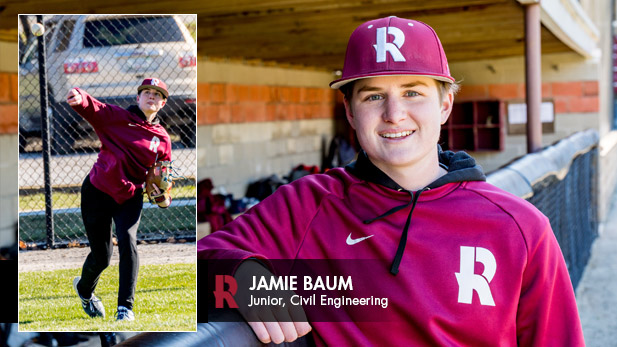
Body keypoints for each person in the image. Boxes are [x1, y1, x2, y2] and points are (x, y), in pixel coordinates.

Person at [197, 16, 584, 345]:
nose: (394, 114)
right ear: (349, 111)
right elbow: (186, 269)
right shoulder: (307, 205)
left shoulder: (520, 226)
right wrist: (237, 273)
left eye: (413, 92)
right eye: (373, 97)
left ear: (445, 104)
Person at [68, 78, 172, 322]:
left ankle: (125, 309)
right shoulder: (117, 118)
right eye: (146, 92)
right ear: (138, 98)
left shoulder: (162, 138)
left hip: (130, 195)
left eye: (157, 95)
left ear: (163, 103)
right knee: (102, 256)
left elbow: (162, 171)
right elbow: (94, 107)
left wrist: (162, 190)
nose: (151, 96)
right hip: (97, 191)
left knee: (128, 241)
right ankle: (84, 291)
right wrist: (79, 96)